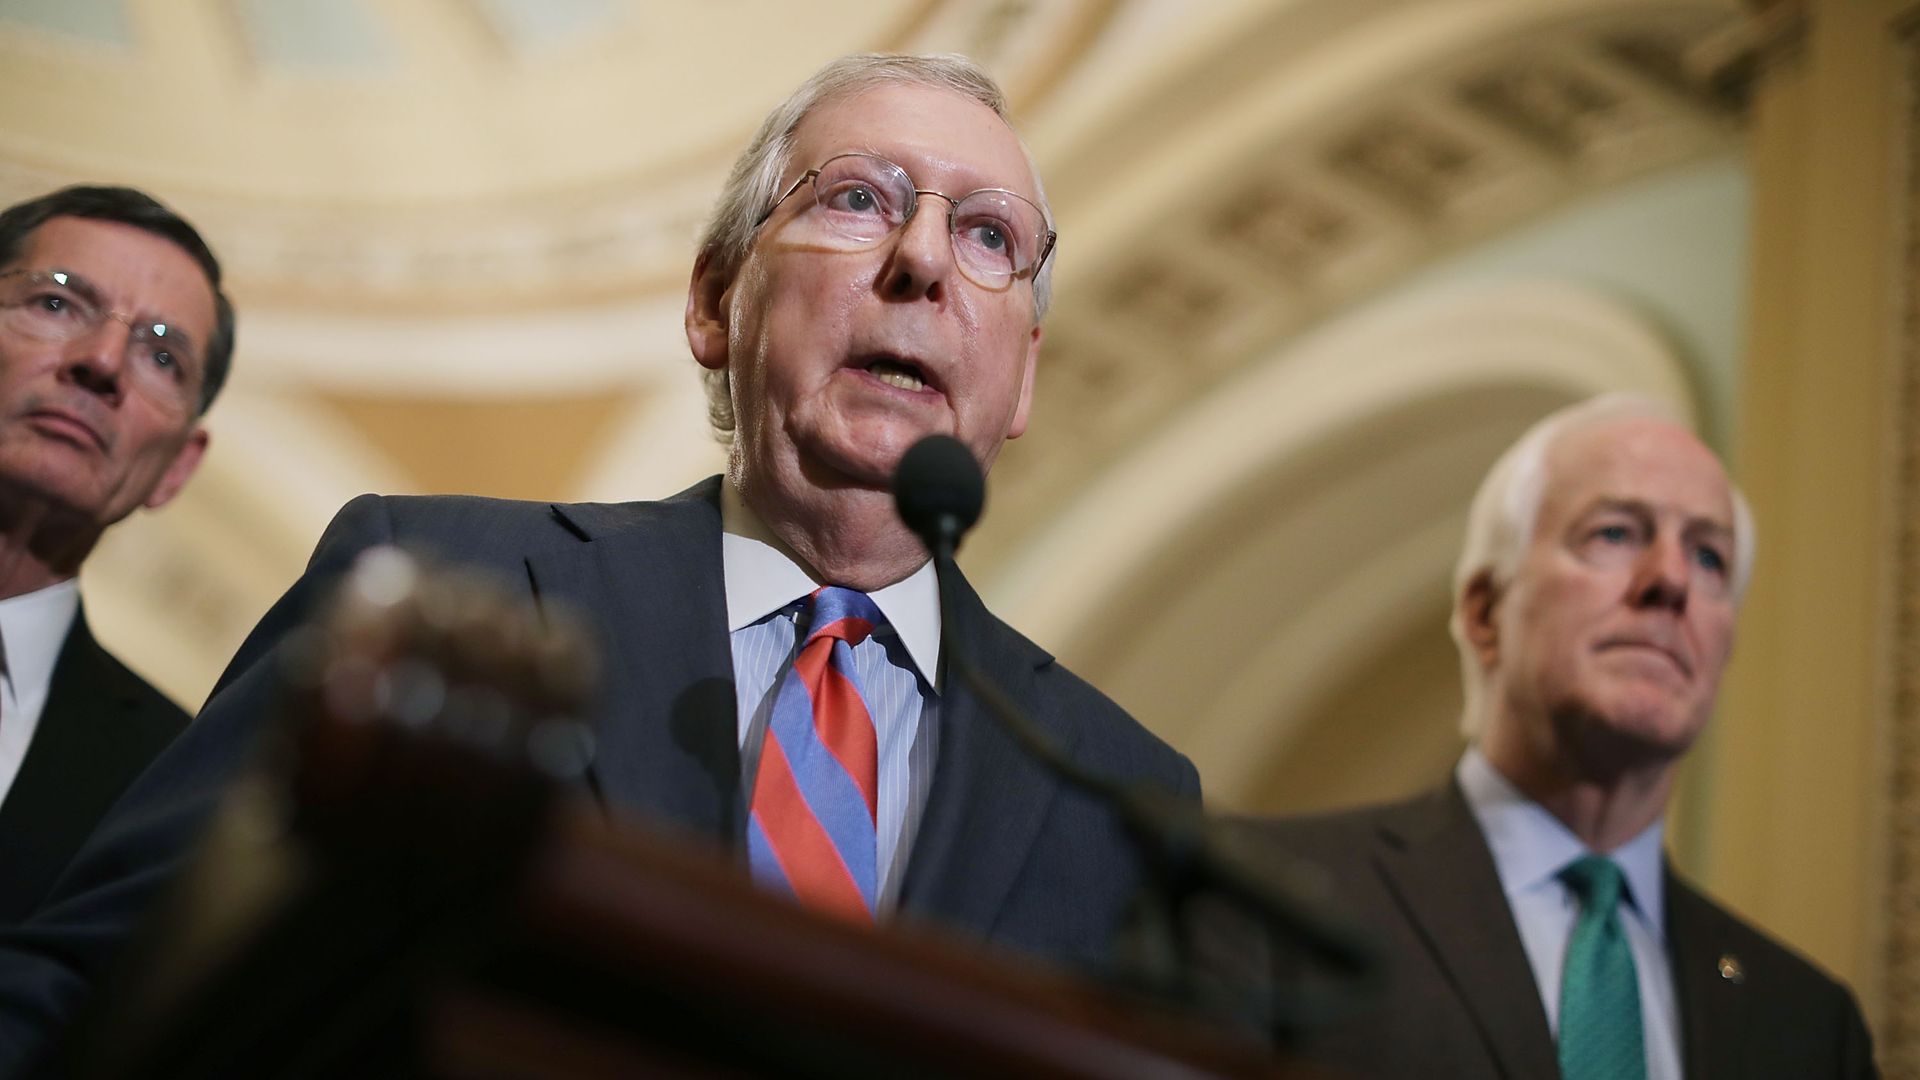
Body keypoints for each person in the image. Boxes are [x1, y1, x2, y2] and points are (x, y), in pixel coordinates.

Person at [0, 54, 1197, 1067]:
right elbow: (94, 989)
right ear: (715, 300)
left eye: (989, 234)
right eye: (861, 202)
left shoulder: (1125, 799)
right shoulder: (428, 582)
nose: (924, 262)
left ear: (1025, 372)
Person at [1244, 394, 1876, 1077]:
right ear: (1486, 613)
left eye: (1709, 557)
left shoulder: (1810, 1024)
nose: (1669, 580)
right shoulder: (1276, 897)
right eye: (1614, 533)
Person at [0, 186, 235, 924]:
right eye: (57, 303)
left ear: (176, 469)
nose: (102, 363)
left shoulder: (179, 791)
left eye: (161, 356)